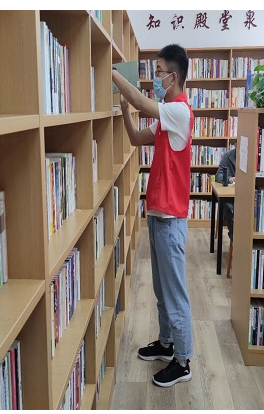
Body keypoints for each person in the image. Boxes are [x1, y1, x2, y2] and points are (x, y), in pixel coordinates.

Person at [112, 44, 194, 388]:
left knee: (175, 294)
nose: (154, 78)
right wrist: (124, 112)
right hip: (159, 215)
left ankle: (183, 360)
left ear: (173, 77)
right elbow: (134, 139)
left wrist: (111, 73)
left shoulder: (179, 111)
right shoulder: (166, 119)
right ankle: (166, 342)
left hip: (171, 219)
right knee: (162, 290)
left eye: (158, 72)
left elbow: (142, 101)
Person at [215, 148, 237, 241]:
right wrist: (230, 179)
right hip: (230, 196)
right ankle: (234, 237)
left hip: (247, 196)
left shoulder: (253, 157)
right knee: (227, 206)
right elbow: (218, 176)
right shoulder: (228, 156)